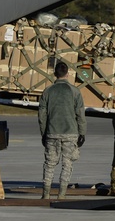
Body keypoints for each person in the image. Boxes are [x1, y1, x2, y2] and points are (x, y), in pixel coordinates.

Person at [38, 61, 87, 200]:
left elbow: (42, 115)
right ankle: (62, 194)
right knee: (67, 164)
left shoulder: (47, 91)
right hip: (70, 133)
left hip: (52, 132)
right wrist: (82, 133)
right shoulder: (75, 91)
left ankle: (46, 193)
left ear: (55, 74)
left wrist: (44, 133)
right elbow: (80, 115)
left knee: (49, 164)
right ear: (68, 74)